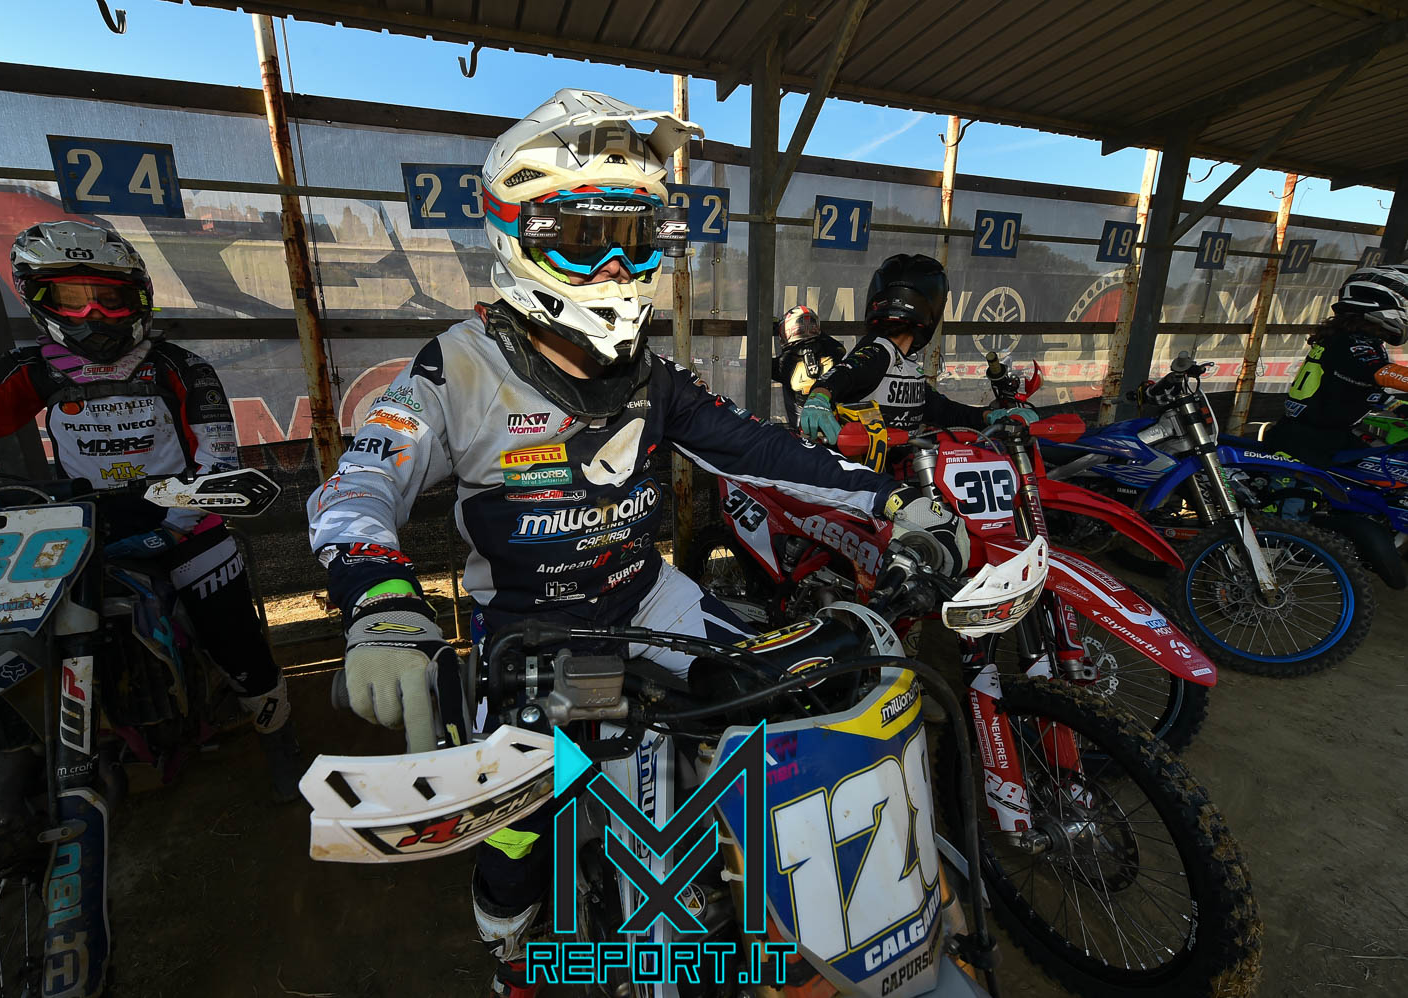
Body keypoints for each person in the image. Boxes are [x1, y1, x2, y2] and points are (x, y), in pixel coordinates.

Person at [305, 89, 967, 998]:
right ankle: (509, 945)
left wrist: (898, 503)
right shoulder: (454, 366)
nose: (618, 265)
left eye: (636, 235)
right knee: (514, 832)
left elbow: (765, 450)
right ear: (517, 235)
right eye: (588, 238)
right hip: (527, 633)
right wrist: (383, 608)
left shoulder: (653, 376)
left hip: (651, 599)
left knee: (789, 706)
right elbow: (357, 487)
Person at [0, 220, 301, 801]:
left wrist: (179, 515)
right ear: (38, 300)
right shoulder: (32, 368)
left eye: (109, 299)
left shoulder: (181, 366)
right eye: (71, 298)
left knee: (235, 640)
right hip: (82, 526)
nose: (92, 314)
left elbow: (218, 458)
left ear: (137, 299)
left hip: (186, 521)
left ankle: (278, 734)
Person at [798, 253, 1031, 444]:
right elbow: (845, 373)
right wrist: (819, 397)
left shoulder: (905, 366)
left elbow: (941, 410)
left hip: (900, 471)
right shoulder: (879, 351)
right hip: (866, 479)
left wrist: (991, 416)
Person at [1268, 264, 1408, 466]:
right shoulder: (1351, 342)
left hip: (1322, 436)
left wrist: (1397, 406)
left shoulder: (1349, 337)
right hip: (1309, 443)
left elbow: (1353, 388)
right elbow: (1381, 373)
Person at [770, 304, 844, 427]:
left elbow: (761, 366)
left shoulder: (785, 362)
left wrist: (772, 328)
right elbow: (840, 349)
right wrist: (819, 334)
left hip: (802, 428)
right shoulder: (832, 353)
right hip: (833, 423)